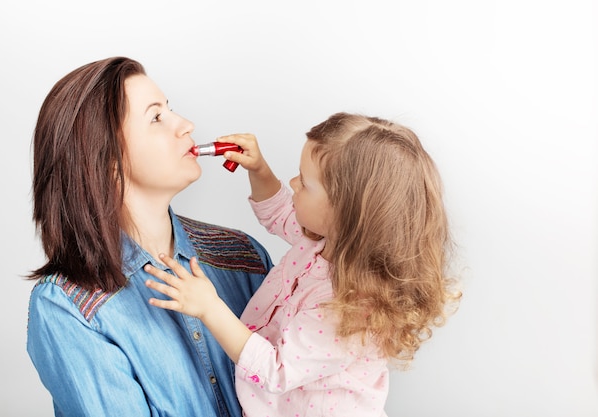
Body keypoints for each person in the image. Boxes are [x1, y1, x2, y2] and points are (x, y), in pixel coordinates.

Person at [145, 112, 462, 417]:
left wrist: (208, 308)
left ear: (344, 212)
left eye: (306, 183)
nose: (294, 183)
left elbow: (275, 371)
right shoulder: (324, 240)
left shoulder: (348, 306)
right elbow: (280, 211)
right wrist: (260, 171)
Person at [26, 56, 273, 417]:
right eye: (157, 117)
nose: (187, 125)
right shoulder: (66, 307)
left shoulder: (244, 257)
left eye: (170, 110)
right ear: (106, 159)